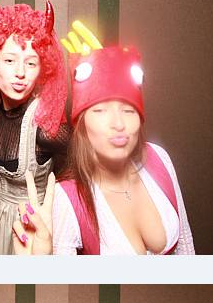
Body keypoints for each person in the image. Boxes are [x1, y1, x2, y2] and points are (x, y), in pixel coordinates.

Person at [13, 28, 194, 257]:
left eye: (129, 110)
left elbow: (186, 246)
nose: (118, 123)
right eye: (100, 110)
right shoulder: (67, 198)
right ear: (82, 124)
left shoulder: (159, 158)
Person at [0, 0, 66, 256]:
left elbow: (90, 165)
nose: (20, 73)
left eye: (31, 63)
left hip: (27, 231)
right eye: (9, 60)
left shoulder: (45, 128)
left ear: (42, 68)